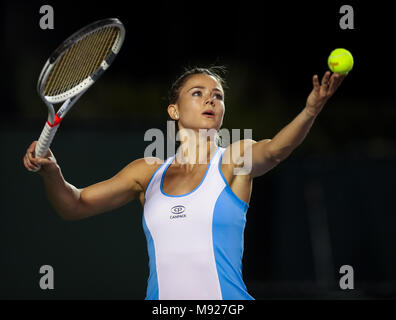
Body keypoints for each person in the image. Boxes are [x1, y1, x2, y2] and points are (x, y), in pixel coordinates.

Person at [23, 66, 346, 300]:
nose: (210, 100)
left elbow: (276, 150)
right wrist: (53, 173)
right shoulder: (145, 172)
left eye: (217, 96)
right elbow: (73, 205)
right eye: (198, 93)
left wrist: (310, 110)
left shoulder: (235, 158)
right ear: (174, 109)